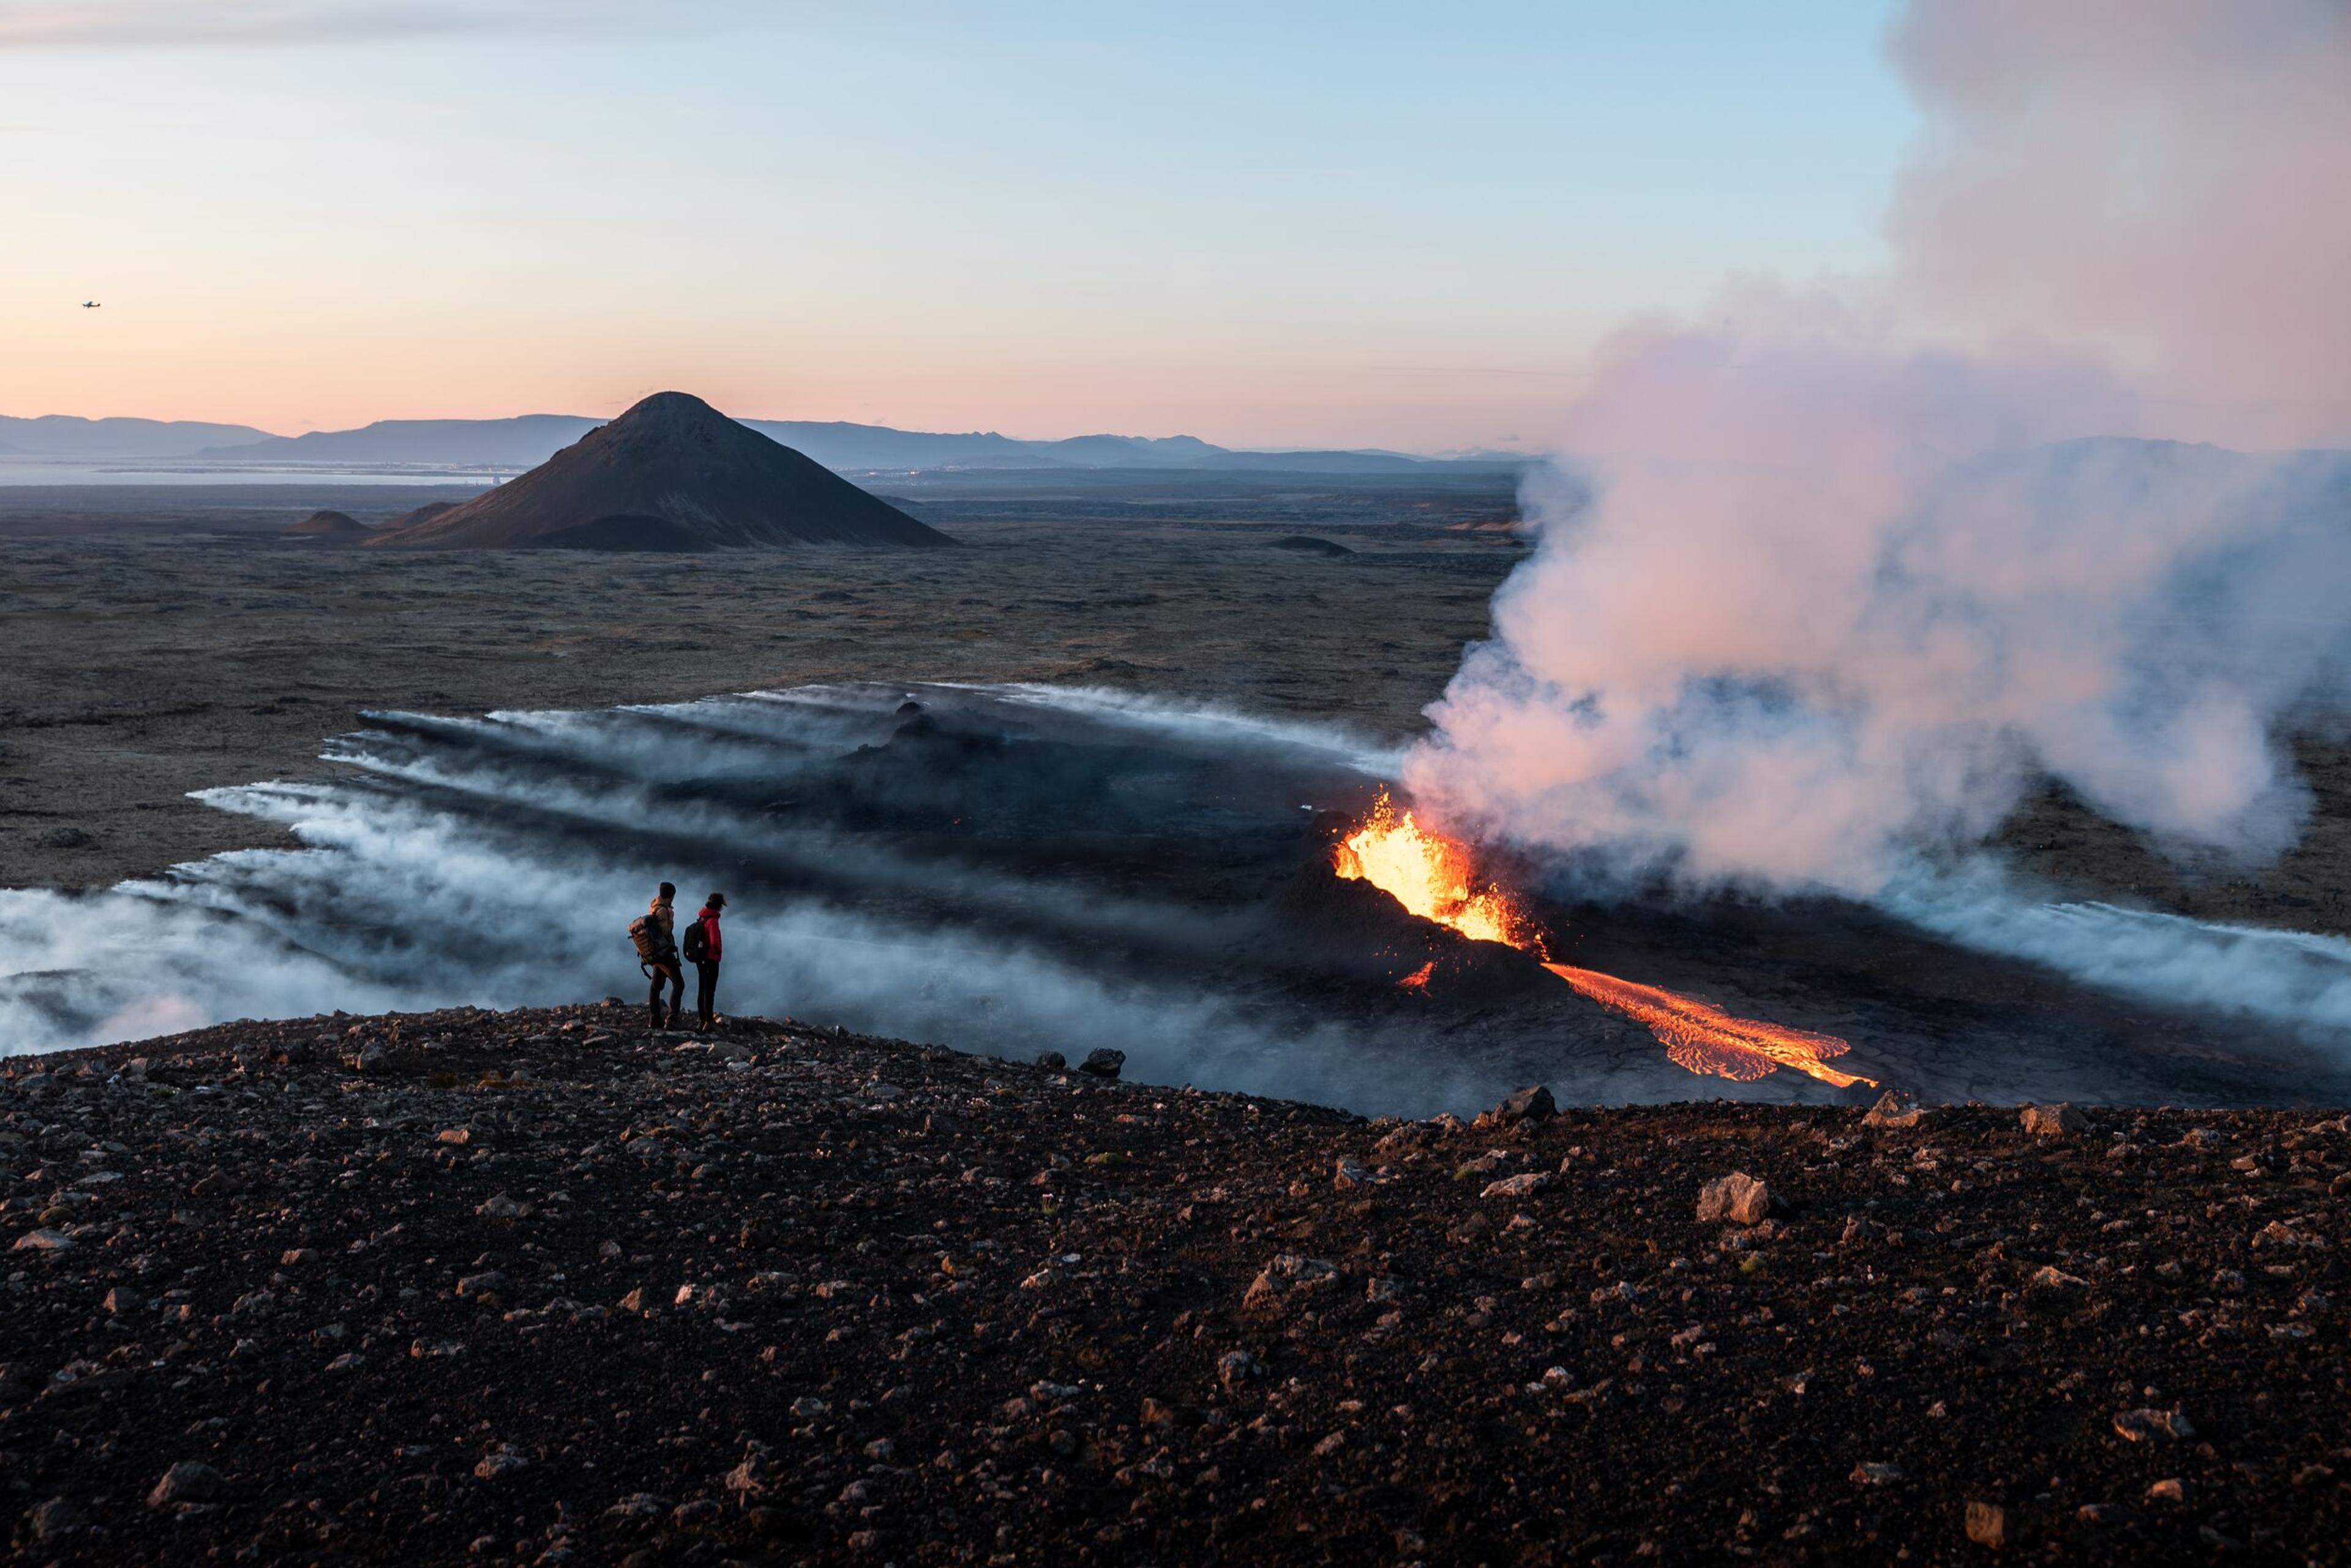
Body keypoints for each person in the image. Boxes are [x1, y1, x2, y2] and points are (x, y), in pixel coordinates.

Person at [645, 882, 684, 1030]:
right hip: (663, 952)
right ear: (672, 896)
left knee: (656, 986)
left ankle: (655, 1019)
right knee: (679, 983)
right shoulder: (663, 911)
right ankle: (672, 1019)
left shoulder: (654, 906)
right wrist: (671, 918)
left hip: (655, 952)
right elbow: (665, 932)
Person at [689, 891, 725, 1031]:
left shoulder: (702, 918)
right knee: (710, 991)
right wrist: (718, 952)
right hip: (711, 959)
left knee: (702, 989)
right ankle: (709, 1021)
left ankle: (702, 1020)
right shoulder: (713, 921)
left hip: (701, 959)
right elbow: (715, 942)